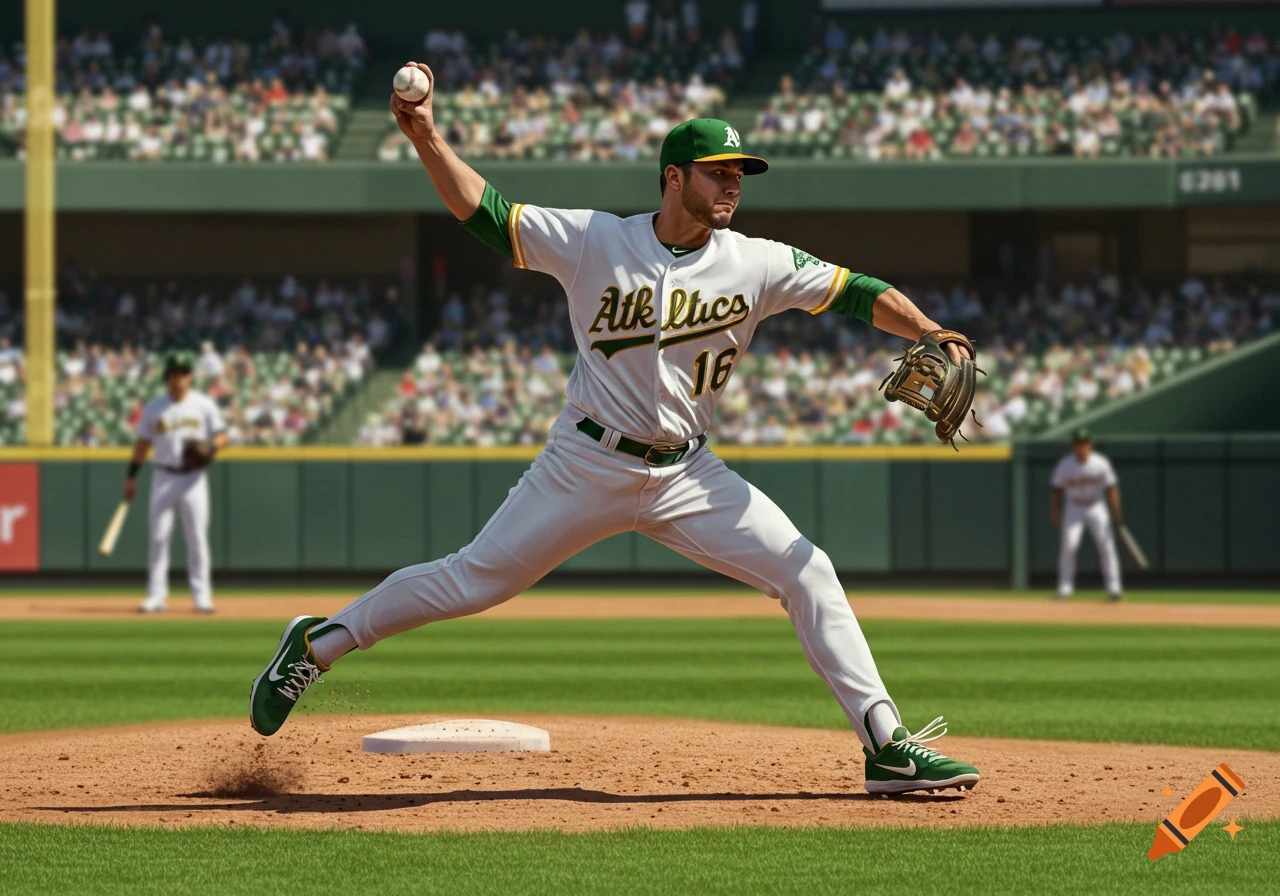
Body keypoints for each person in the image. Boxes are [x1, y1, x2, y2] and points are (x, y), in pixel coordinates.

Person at [249, 62, 982, 796]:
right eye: (718, 172)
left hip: (688, 474)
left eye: (739, 174)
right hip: (586, 462)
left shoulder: (756, 262)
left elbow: (855, 290)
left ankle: (887, 747)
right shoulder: (596, 240)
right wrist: (427, 138)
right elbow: (488, 215)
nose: (732, 185)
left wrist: (928, 329)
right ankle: (318, 643)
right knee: (475, 580)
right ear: (673, 178)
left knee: (806, 570)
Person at [128, 350, 228, 613]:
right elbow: (141, 444)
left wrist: (210, 447)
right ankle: (156, 596)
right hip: (163, 476)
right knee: (159, 537)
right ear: (167, 377)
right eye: (174, 373)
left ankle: (202, 597)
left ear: (190, 376)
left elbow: (222, 436)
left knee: (197, 538)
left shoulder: (203, 404)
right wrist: (131, 476)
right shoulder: (154, 408)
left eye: (183, 373)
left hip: (193, 479)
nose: (179, 378)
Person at [1050, 428, 1123, 601]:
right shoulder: (1065, 464)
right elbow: (1056, 489)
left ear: (1090, 445)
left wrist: (1116, 510)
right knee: (1069, 545)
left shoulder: (1100, 463)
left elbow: (1111, 487)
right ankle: (1065, 588)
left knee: (1106, 546)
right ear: (1073, 445)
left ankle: (1114, 588)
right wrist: (1055, 510)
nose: (1080, 447)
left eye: (1083, 443)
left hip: (1096, 505)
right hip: (1074, 506)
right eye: (1077, 443)